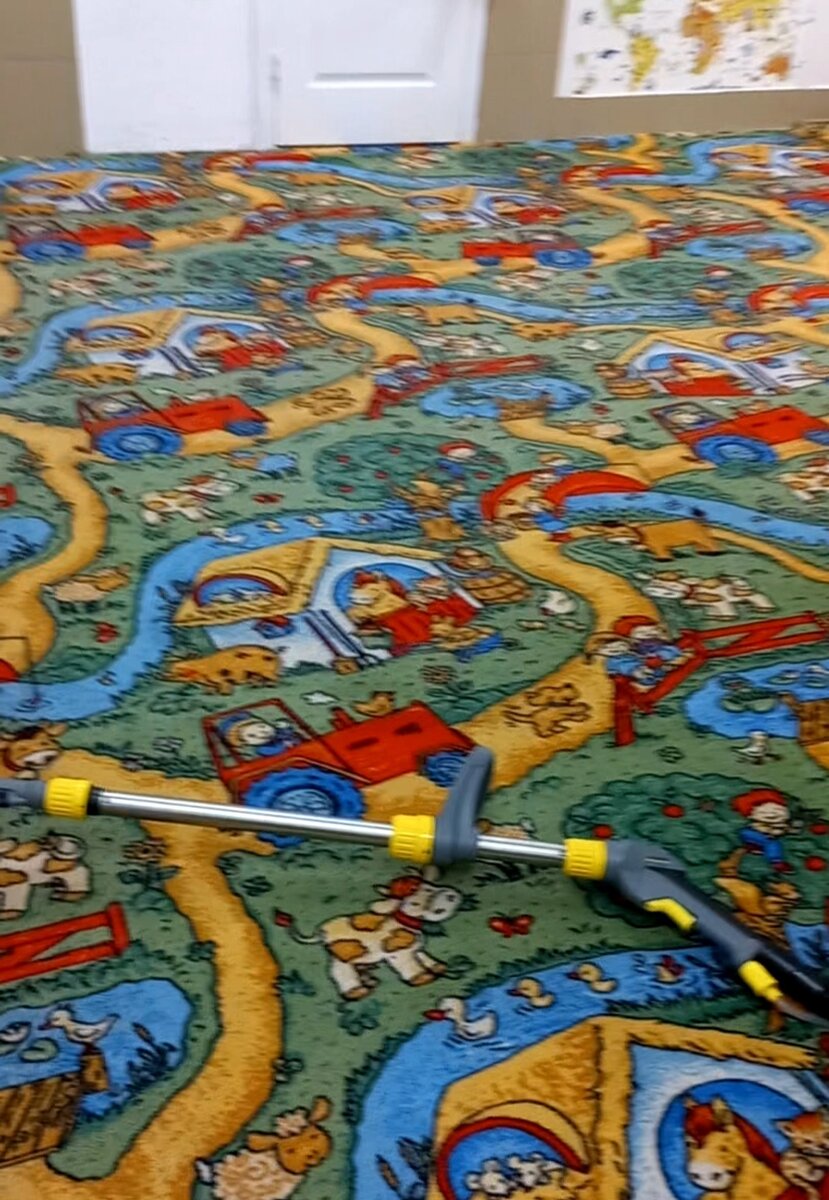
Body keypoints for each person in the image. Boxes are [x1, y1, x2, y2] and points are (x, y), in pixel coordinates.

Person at [732, 787, 793, 872]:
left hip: (764, 836)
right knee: (771, 843)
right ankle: (775, 862)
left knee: (772, 843)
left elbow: (778, 831)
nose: (773, 814)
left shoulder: (780, 823)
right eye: (764, 812)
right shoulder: (758, 824)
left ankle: (770, 857)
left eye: (778, 809)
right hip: (752, 834)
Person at [194, 326, 286, 372]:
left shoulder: (225, 337)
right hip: (236, 357)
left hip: (241, 353)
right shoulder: (205, 344)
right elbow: (200, 350)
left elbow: (236, 342)